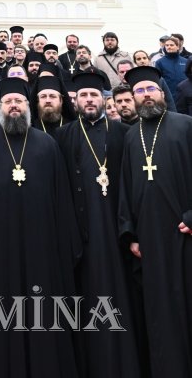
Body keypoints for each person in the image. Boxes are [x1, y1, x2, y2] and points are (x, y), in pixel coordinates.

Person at [0, 77, 81, 377]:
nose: (14, 106)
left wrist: (65, 244)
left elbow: (62, 197)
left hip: (43, 248)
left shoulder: (46, 143)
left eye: (19, 101)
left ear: (28, 107)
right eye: (8, 102)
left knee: (45, 313)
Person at [56, 72, 140, 378]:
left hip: (118, 234)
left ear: (103, 99)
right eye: (83, 96)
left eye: (94, 95)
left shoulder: (122, 133)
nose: (89, 100)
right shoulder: (64, 136)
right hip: (82, 236)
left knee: (123, 298)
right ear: (75, 100)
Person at [118, 65, 192, 378]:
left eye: (151, 89)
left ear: (161, 93)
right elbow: (125, 187)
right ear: (132, 98)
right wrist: (131, 233)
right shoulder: (131, 137)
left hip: (185, 233)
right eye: (139, 91)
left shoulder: (186, 125)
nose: (146, 96)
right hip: (150, 240)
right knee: (161, 313)